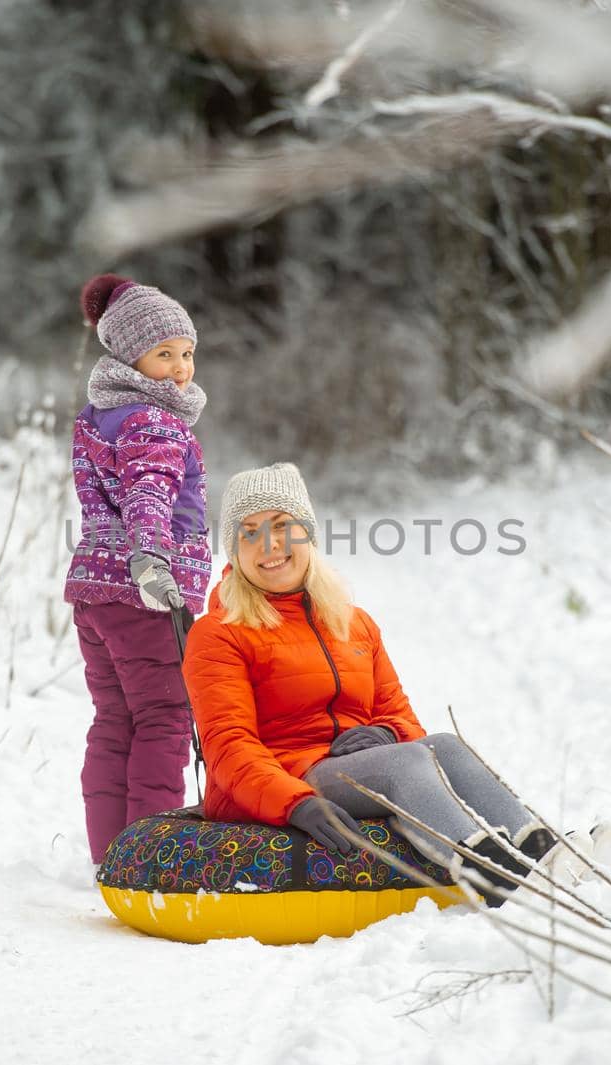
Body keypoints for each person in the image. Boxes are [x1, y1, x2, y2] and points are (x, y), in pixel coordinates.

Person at [181, 463, 559, 903]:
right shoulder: (219, 632)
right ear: (234, 550)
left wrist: (385, 733)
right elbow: (227, 747)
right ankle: (492, 874)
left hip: (359, 767)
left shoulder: (353, 623)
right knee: (406, 764)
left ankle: (545, 854)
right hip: (287, 775)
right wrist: (294, 802)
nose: (270, 545)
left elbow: (403, 720)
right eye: (250, 532)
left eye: (283, 526)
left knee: (447, 746)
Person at [64, 274, 209, 863]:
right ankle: (151, 857)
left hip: (94, 594)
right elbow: (148, 492)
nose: (180, 367)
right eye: (164, 354)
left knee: (116, 719)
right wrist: (153, 560)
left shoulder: (98, 417)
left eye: (188, 353)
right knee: (165, 720)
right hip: (144, 593)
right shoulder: (154, 421)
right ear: (129, 355)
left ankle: (110, 853)